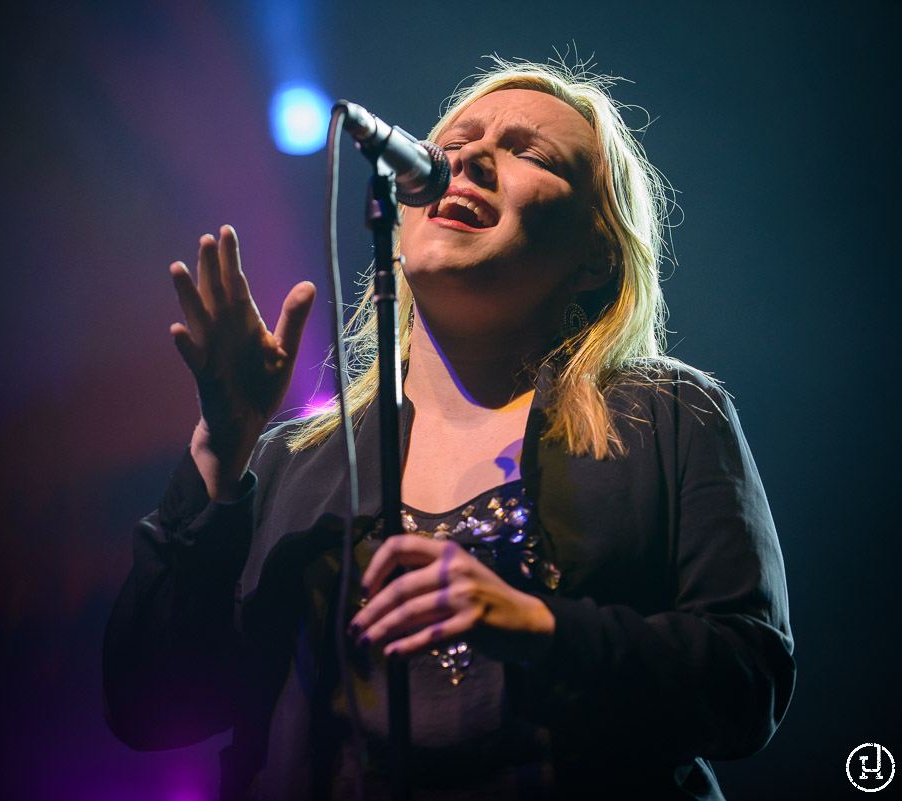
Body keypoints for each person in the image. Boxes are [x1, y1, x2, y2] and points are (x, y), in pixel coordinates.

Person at [103, 57, 794, 800]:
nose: (467, 157)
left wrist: (540, 628)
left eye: (529, 152)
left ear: (596, 256)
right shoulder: (290, 465)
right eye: (453, 141)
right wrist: (220, 448)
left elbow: (746, 680)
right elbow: (151, 708)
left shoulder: (668, 417)